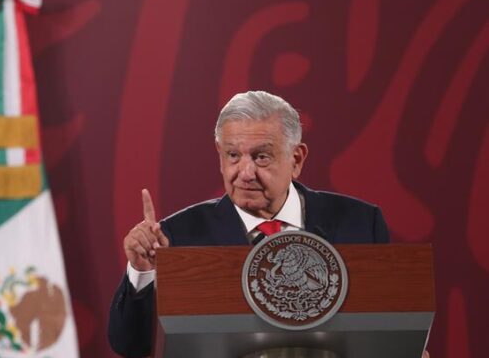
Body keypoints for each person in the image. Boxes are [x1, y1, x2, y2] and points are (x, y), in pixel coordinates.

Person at [107, 90, 391, 358]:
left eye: (261, 157)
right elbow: (131, 346)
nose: (245, 172)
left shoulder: (362, 225)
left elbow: (391, 329)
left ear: (296, 158)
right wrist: (142, 273)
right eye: (233, 156)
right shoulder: (179, 236)